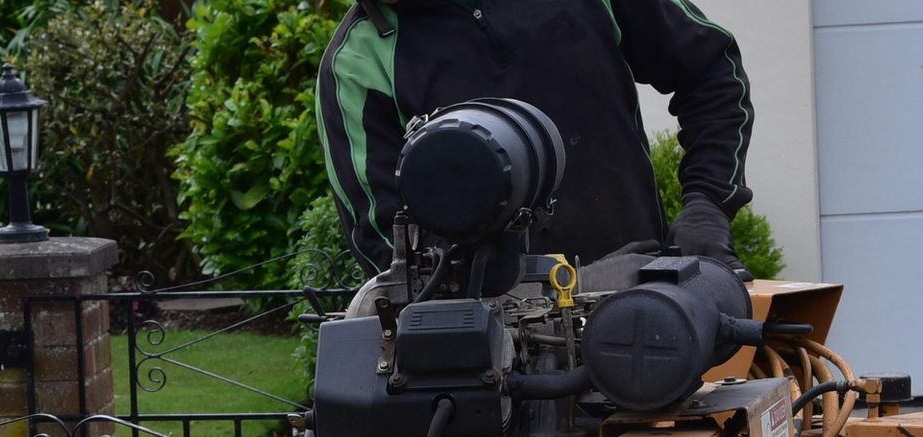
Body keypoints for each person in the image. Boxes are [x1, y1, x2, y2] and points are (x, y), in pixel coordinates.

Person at [316, 0, 754, 275]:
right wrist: (556, 289)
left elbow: (712, 71)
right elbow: (391, 250)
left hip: (653, 315)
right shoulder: (356, 63)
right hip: (495, 361)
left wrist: (707, 204)